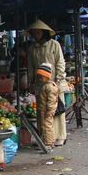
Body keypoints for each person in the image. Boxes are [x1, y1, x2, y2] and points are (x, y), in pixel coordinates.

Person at [27, 19, 67, 147]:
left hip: (54, 84)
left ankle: (59, 136)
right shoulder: (32, 48)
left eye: (38, 33)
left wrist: (59, 80)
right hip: (39, 85)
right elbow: (31, 67)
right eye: (34, 33)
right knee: (41, 112)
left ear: (44, 33)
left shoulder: (54, 45)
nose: (36, 35)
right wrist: (30, 82)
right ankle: (43, 137)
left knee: (56, 111)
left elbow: (60, 63)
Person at [34, 62, 58, 147]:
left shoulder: (50, 87)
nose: (40, 78)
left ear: (47, 76)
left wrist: (49, 111)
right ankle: (44, 141)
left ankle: (49, 143)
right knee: (43, 126)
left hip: (47, 110)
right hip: (43, 110)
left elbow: (51, 101)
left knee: (47, 126)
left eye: (42, 76)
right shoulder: (46, 85)